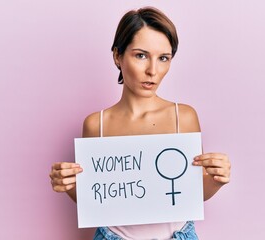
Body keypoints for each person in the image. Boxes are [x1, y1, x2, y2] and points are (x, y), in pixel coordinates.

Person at [49, 6, 231, 240]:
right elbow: (95, 198)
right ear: (118, 56)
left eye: (163, 58)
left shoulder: (182, 117)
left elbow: (191, 194)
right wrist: (67, 184)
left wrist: (217, 180)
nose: (152, 71)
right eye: (141, 55)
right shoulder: (97, 124)